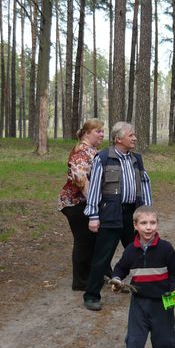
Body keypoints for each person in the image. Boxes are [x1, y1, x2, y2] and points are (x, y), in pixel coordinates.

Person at [109, 206, 175, 348]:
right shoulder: (130, 250)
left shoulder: (166, 248)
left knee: (164, 341)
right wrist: (116, 280)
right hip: (139, 304)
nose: (148, 227)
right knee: (134, 341)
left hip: (162, 303)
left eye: (152, 223)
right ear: (135, 225)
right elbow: (120, 268)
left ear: (157, 224)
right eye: (143, 223)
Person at [83, 121, 152, 311]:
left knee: (139, 252)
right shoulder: (103, 158)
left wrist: (147, 211)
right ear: (118, 139)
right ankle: (91, 296)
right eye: (131, 135)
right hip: (110, 214)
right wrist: (93, 216)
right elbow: (95, 187)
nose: (135, 138)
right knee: (102, 257)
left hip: (132, 214)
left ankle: (145, 290)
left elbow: (144, 183)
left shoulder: (136, 159)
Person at [58, 118, 105, 290]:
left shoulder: (92, 150)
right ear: (86, 133)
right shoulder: (81, 152)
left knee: (92, 239)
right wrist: (95, 205)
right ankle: (81, 282)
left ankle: (95, 275)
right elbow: (81, 181)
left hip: (85, 202)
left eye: (103, 131)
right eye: (98, 131)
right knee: (83, 240)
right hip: (75, 203)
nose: (102, 134)